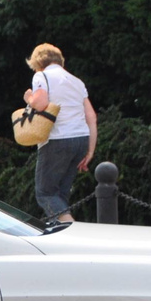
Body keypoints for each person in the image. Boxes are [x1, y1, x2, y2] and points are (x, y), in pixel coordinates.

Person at [23, 42, 97, 222]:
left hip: (57, 140)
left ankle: (72, 231)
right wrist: (90, 151)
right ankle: (59, 236)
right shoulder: (77, 82)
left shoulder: (42, 76)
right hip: (81, 139)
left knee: (45, 193)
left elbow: (40, 103)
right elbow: (92, 117)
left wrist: (29, 98)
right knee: (60, 196)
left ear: (37, 63)